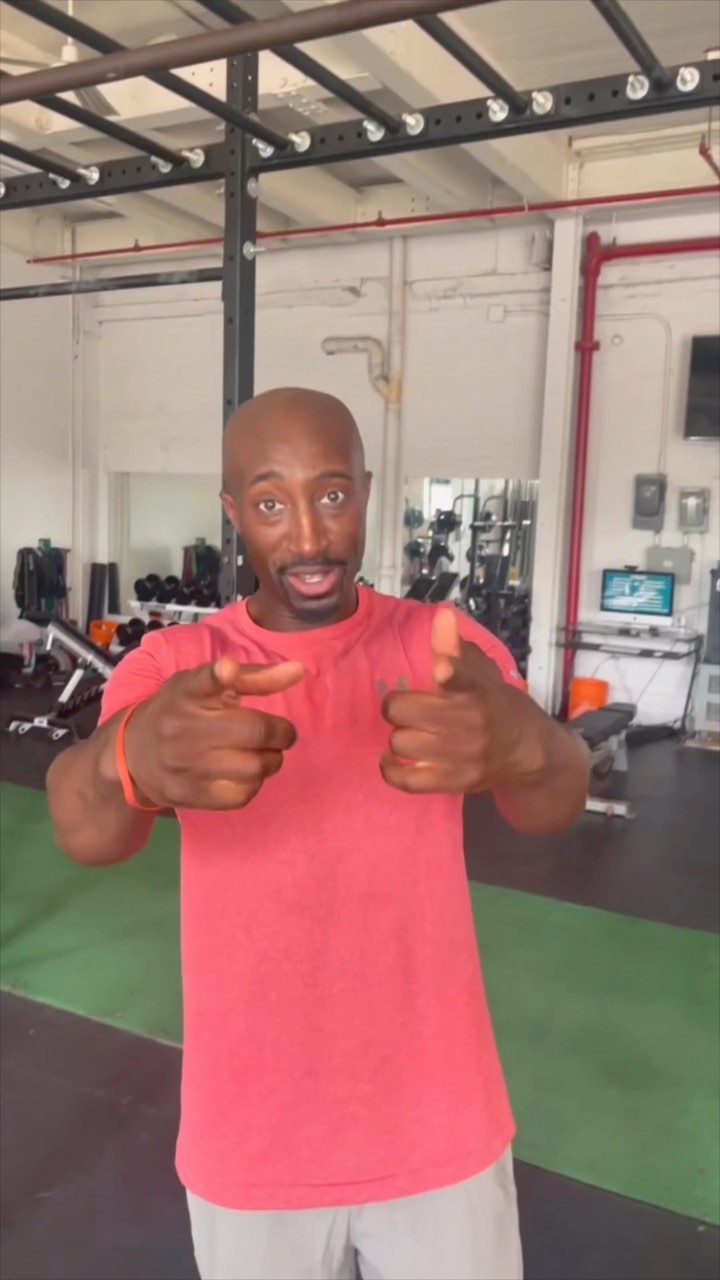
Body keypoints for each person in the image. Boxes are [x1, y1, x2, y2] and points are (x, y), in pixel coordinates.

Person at [47, 388, 589, 1280]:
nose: (308, 536)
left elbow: (552, 804)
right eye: (271, 503)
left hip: (440, 1127)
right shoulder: (178, 666)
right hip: (251, 1144)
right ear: (233, 514)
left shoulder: (444, 646)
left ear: (367, 492)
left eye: (332, 494)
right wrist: (126, 757)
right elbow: (86, 831)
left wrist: (527, 744)